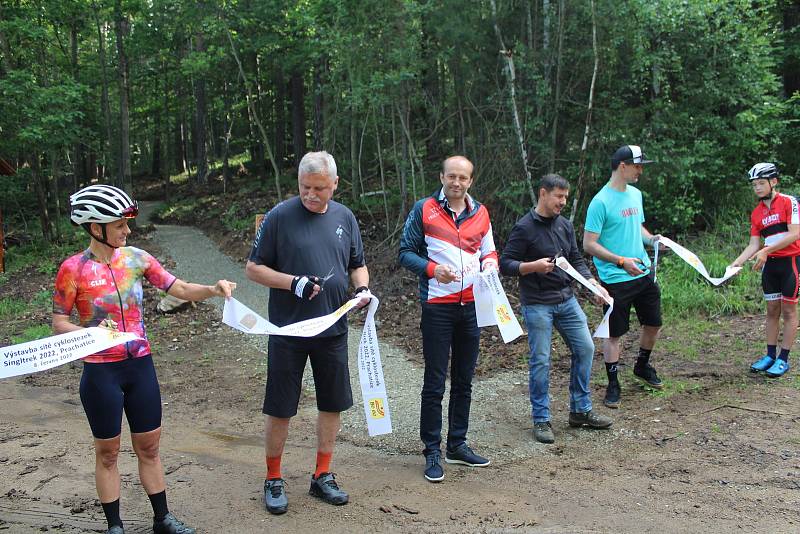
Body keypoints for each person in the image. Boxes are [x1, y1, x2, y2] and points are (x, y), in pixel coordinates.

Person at [53, 185, 236, 534]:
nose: (128, 230)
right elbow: (59, 321)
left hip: (140, 367)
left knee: (149, 447)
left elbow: (178, 288)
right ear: (96, 228)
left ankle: (162, 519)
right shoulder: (73, 269)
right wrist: (87, 335)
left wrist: (213, 289)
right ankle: (115, 527)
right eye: (120, 225)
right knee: (107, 453)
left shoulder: (137, 258)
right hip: (100, 373)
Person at [245, 151, 370, 515]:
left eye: (319, 188)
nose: (311, 195)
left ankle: (322, 474)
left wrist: (361, 289)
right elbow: (253, 269)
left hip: (332, 329)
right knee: (281, 407)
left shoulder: (345, 217)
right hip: (288, 331)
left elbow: (357, 265)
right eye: (305, 187)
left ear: (335, 184)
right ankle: (273, 477)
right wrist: (292, 283)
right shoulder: (279, 217)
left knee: (332, 403)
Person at [399, 155, 497, 483]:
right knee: (435, 381)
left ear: (471, 180)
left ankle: (457, 444)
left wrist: (490, 266)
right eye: (451, 176)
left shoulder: (480, 213)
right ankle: (431, 451)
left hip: (472, 306)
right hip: (437, 306)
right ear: (441, 176)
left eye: (463, 178)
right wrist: (431, 269)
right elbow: (405, 252)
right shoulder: (424, 208)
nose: (456, 183)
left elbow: (490, 251)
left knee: (465, 379)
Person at [500, 174, 613, 444]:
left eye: (565, 197)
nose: (563, 201)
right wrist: (533, 267)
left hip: (567, 300)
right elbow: (505, 264)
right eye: (558, 196)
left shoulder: (564, 225)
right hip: (537, 304)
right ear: (543, 194)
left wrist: (593, 285)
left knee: (585, 348)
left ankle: (580, 411)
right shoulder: (524, 227)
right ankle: (541, 419)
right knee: (540, 360)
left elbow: (576, 259)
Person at [583, 145, 665, 410]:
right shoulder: (600, 202)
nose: (641, 170)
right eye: (638, 165)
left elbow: (636, 226)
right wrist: (620, 261)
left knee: (653, 323)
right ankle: (613, 382)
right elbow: (589, 244)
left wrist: (652, 239)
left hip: (642, 272)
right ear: (623, 166)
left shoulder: (636, 194)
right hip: (616, 278)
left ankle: (642, 366)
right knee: (614, 333)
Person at [731, 163, 798, 378]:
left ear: (774, 182)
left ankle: (783, 358)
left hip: (791, 263)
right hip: (770, 266)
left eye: (761, 183)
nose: (757, 188)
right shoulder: (757, 213)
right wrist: (735, 263)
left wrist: (766, 250)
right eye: (754, 184)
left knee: (788, 312)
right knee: (771, 311)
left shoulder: (789, 202)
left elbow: (795, 233)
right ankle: (770, 355)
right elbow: (753, 245)